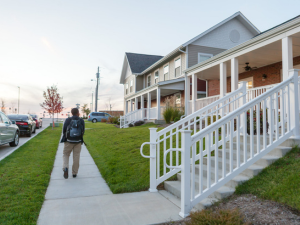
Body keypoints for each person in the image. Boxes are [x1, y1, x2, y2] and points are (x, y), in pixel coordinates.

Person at [60, 108, 85, 179]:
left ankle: (65, 167)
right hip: (78, 141)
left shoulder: (68, 120)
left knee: (66, 154)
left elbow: (64, 130)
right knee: (76, 156)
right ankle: (74, 173)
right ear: (78, 112)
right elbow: (83, 131)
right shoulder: (81, 120)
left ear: (71, 113)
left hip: (68, 141)